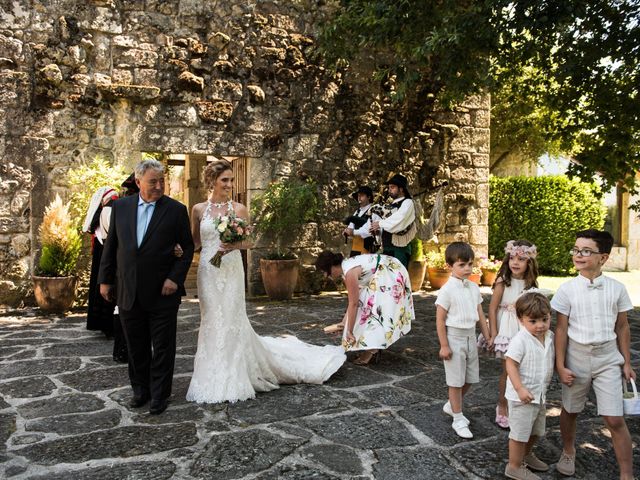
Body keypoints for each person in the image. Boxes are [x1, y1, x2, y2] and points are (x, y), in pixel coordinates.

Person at [186, 160, 345, 404]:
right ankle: (211, 373)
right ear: (212, 181)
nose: (229, 184)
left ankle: (234, 374)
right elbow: (195, 242)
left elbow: (249, 243)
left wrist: (233, 245)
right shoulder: (198, 209)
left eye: (231, 180)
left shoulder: (239, 209)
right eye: (224, 180)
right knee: (211, 320)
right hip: (209, 270)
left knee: (231, 317)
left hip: (230, 269)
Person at [98, 159, 195, 415]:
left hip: (164, 292)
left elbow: (187, 250)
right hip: (128, 290)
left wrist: (175, 278)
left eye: (162, 180)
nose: (159, 186)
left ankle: (160, 395)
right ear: (138, 181)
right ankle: (141, 391)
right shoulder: (121, 207)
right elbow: (111, 247)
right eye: (153, 181)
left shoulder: (176, 210)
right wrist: (105, 280)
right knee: (136, 346)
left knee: (163, 347)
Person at [552, 229, 635, 479]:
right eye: (576, 250)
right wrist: (560, 365)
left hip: (608, 358)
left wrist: (627, 361)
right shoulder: (566, 290)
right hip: (576, 358)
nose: (578, 255)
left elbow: (622, 326)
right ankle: (568, 450)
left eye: (586, 251)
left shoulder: (617, 288)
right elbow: (561, 329)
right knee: (571, 409)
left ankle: (627, 474)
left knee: (615, 419)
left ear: (604, 257)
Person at [315, 250, 413, 365]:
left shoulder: (349, 272)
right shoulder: (346, 268)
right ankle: (373, 346)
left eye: (325, 272)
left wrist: (350, 331)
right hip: (383, 272)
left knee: (378, 311)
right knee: (366, 304)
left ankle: (372, 351)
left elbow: (354, 304)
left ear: (332, 266)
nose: (326, 276)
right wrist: (343, 323)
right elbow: (356, 300)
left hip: (391, 271)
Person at [480, 240, 539, 429]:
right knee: (508, 370)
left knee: (522, 370)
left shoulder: (531, 284)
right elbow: (492, 307)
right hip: (506, 329)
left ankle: (518, 402)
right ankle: (502, 405)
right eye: (512, 257)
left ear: (529, 262)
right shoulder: (503, 281)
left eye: (521, 259)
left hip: (523, 329)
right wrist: (493, 333)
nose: (515, 262)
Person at [435, 241, 491, 439]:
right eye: (461, 265)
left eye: (470, 264)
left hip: (470, 337)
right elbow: (440, 320)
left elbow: (479, 312)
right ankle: (458, 418)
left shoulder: (474, 288)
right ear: (450, 266)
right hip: (454, 338)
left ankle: (452, 405)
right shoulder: (447, 290)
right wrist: (444, 345)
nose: (467, 268)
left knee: (470, 378)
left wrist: (487, 334)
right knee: (455, 382)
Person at [504, 292, 554, 480]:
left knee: (536, 430)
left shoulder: (549, 336)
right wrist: (520, 388)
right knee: (519, 433)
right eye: (533, 321)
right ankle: (514, 466)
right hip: (521, 397)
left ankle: (526, 454)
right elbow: (510, 364)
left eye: (544, 319)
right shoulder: (521, 340)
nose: (540, 325)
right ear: (521, 320)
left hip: (539, 394)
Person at [83, 186, 119, 337]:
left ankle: (103, 323)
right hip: (107, 252)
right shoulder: (109, 211)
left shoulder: (105, 210)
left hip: (102, 251)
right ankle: (108, 324)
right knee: (107, 286)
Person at [368, 174, 416, 268]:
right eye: (389, 187)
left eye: (393, 187)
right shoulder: (389, 206)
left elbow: (399, 220)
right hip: (386, 248)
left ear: (401, 189)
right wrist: (378, 231)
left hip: (399, 250)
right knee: (386, 279)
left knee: (397, 278)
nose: (390, 190)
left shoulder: (408, 202)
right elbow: (388, 225)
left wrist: (380, 224)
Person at [343, 185, 375, 257]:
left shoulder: (373, 210)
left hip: (367, 246)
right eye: (358, 195)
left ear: (369, 197)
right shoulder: (357, 212)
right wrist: (347, 231)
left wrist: (353, 232)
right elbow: (351, 226)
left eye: (362, 195)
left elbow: (370, 229)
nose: (359, 197)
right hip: (355, 245)